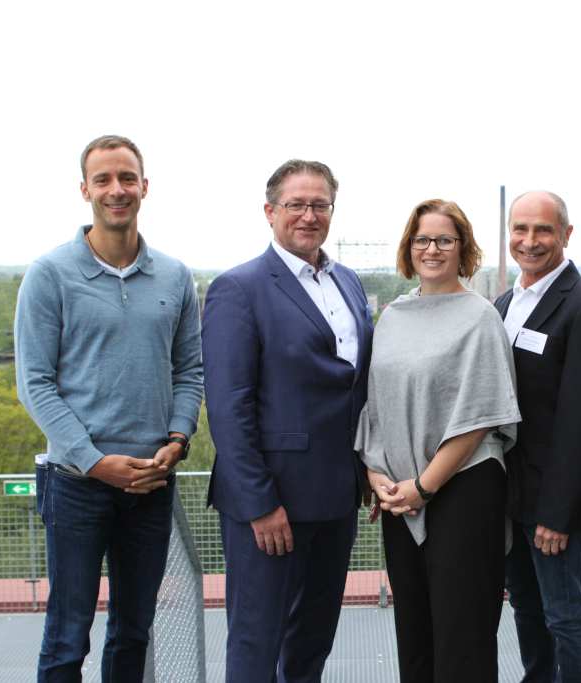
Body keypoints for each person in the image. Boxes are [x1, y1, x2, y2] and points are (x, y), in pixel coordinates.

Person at [15, 134, 203, 682]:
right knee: (67, 633)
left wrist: (178, 439)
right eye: (103, 179)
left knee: (134, 632)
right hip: (76, 483)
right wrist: (95, 462)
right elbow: (34, 384)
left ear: (144, 186)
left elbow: (189, 371)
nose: (116, 190)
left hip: (150, 483)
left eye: (126, 178)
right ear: (85, 190)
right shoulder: (50, 273)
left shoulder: (174, 276)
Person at [202, 160, 374, 682]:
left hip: (337, 496)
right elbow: (228, 408)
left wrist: (366, 470)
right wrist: (260, 503)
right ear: (270, 211)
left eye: (319, 205)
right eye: (296, 204)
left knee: (312, 639)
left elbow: (356, 386)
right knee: (257, 640)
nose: (308, 215)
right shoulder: (239, 288)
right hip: (271, 501)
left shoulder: (348, 282)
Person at [356, 199, 521, 683]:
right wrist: (376, 473)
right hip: (400, 495)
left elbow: (479, 416)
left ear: (463, 248)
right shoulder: (394, 316)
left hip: (461, 489)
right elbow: (376, 406)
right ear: (409, 247)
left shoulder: (479, 317)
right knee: (415, 637)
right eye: (422, 239)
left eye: (445, 239)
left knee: (462, 641)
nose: (432, 249)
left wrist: (424, 486)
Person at [495, 190, 581, 683]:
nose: (530, 240)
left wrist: (556, 512)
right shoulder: (505, 303)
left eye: (543, 229)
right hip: (509, 493)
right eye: (520, 229)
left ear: (565, 234)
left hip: (551, 501)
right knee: (526, 607)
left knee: (564, 615)